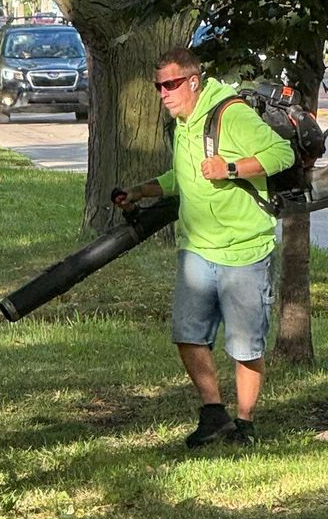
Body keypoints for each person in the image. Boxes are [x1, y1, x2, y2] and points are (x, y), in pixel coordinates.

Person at [116, 45, 294, 448]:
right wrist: (142, 191)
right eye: (159, 86)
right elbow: (184, 176)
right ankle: (214, 414)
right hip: (197, 249)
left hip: (244, 248)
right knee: (187, 334)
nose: (164, 93)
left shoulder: (229, 114)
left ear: (193, 82)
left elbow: (280, 153)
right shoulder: (183, 123)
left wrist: (230, 168)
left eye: (171, 84)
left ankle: (245, 424)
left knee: (245, 345)